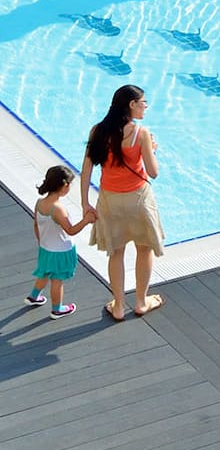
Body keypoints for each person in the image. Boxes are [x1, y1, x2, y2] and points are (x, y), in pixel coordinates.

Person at [78, 84, 166, 320]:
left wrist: (85, 203)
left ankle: (118, 306)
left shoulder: (98, 131)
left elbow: (86, 170)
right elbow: (153, 172)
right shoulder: (141, 134)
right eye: (143, 102)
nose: (146, 107)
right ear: (131, 105)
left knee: (115, 253)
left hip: (110, 200)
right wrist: (153, 150)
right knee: (144, 248)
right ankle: (140, 302)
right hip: (138, 199)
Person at [26, 166, 94, 319]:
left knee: (44, 273)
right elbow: (70, 230)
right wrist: (86, 220)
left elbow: (36, 225)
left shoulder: (39, 203)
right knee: (57, 281)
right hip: (61, 252)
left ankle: (34, 296)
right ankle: (57, 309)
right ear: (64, 186)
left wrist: (41, 242)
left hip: (45, 248)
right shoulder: (58, 209)